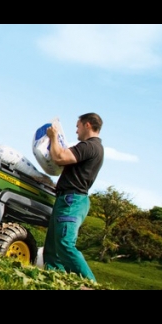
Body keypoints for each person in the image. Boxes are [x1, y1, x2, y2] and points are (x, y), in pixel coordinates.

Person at [43, 113, 104, 282]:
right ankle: (54, 281)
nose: (76, 130)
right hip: (67, 198)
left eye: (78, 126)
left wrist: (54, 137)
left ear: (88, 125)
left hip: (72, 200)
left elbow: (60, 157)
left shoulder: (89, 146)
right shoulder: (93, 148)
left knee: (64, 243)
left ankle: (90, 284)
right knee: (52, 249)